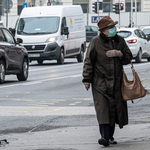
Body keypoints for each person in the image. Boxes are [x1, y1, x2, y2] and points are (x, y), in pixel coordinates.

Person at [82, 16, 133, 147]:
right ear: (104, 31)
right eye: (111, 28)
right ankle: (104, 136)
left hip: (116, 82)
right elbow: (88, 61)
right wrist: (87, 79)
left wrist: (120, 54)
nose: (113, 30)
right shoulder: (95, 42)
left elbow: (129, 58)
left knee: (114, 109)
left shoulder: (120, 41)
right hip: (100, 83)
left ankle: (110, 136)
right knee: (103, 110)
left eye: (114, 27)